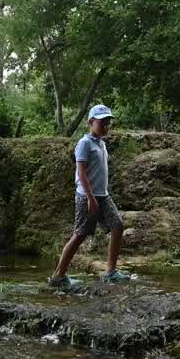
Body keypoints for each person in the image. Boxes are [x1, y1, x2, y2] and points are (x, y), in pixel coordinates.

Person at [47, 104, 130, 289]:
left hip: (103, 195)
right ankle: (58, 277)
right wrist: (91, 199)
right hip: (87, 197)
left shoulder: (101, 143)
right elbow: (81, 173)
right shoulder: (84, 143)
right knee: (80, 235)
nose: (106, 126)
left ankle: (110, 272)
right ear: (91, 122)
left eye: (108, 123)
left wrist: (98, 197)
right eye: (102, 122)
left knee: (117, 225)